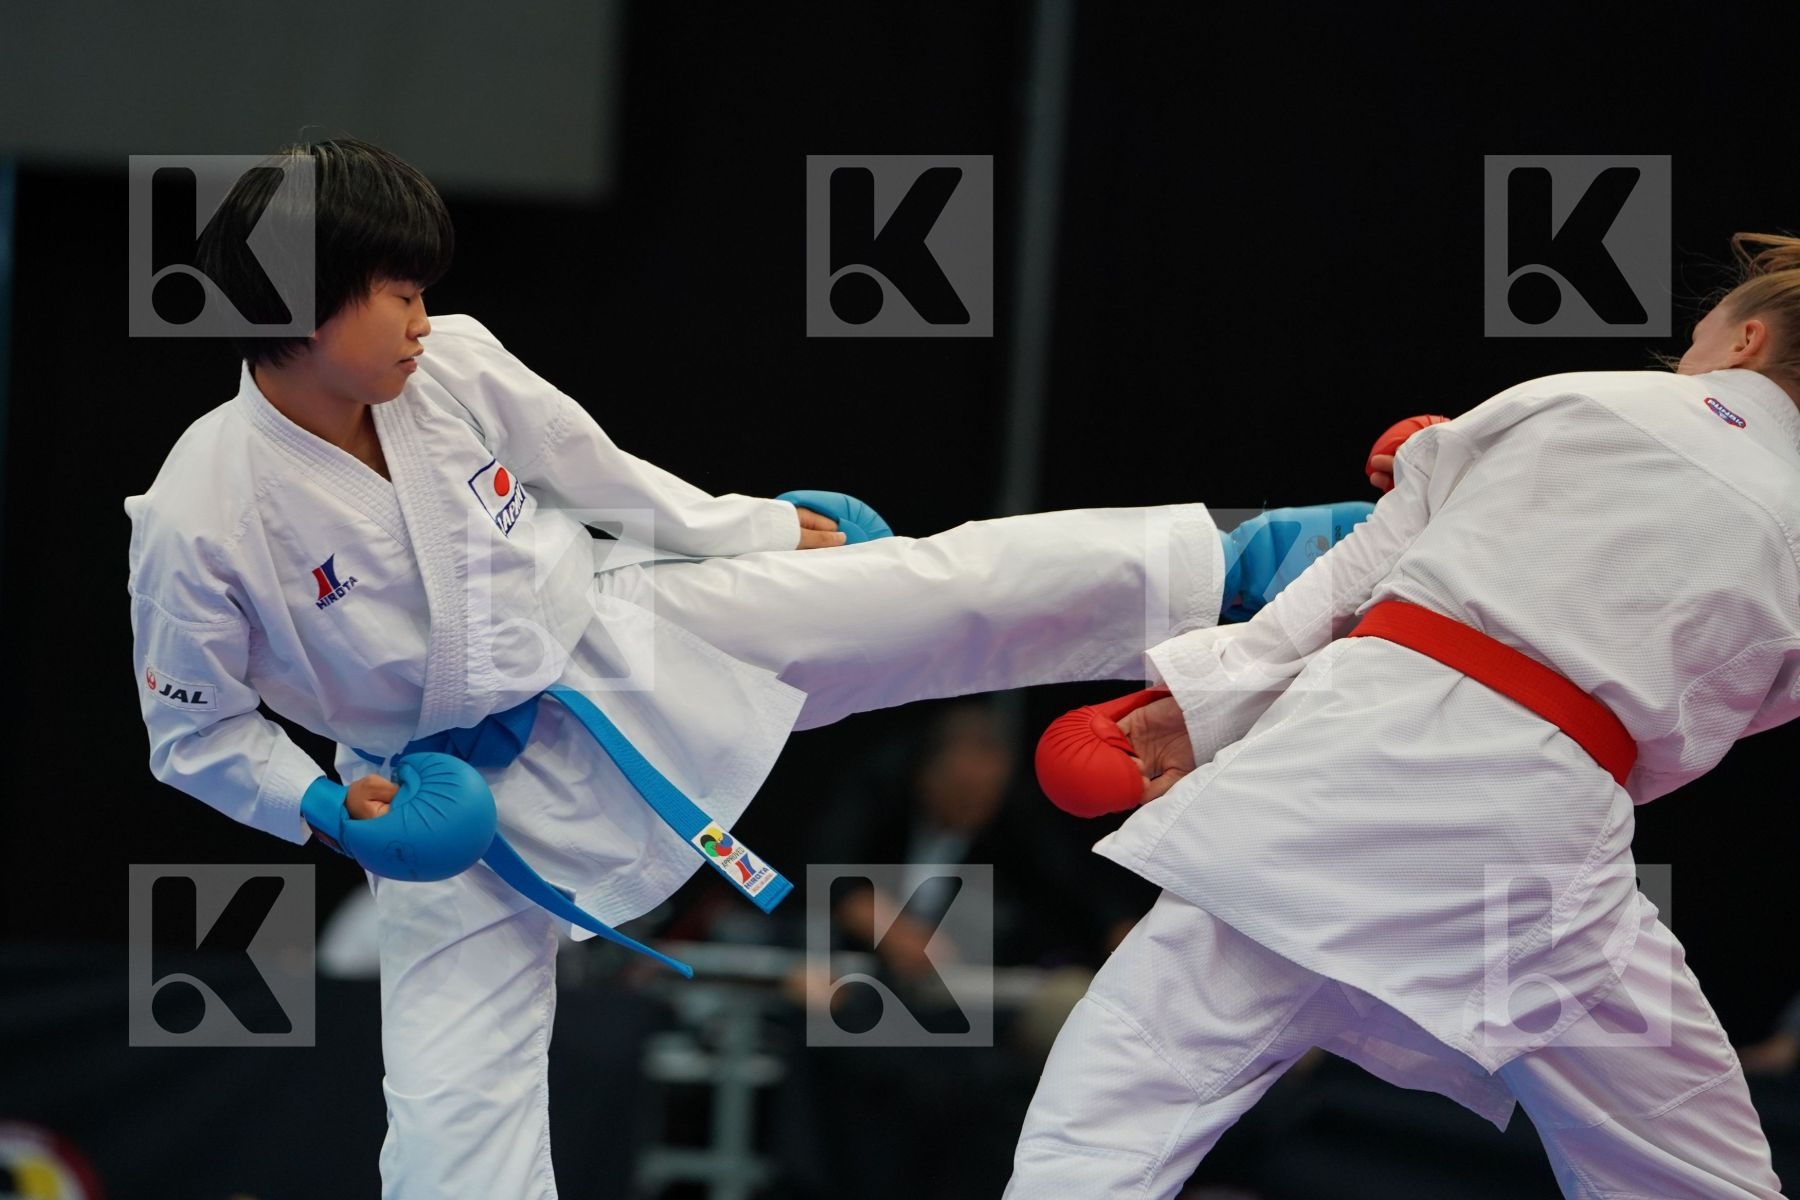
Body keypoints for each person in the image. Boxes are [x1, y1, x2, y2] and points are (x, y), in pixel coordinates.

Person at [125, 136, 1378, 1198]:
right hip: (454, 810)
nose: (416, 311)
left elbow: (600, 478)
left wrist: (763, 527)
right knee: (454, 1120)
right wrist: (325, 807)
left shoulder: (450, 363)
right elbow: (193, 737)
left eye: (417, 282)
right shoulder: (201, 515)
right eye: (387, 288)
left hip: (623, 644)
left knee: (926, 591)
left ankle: (1260, 560)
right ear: (292, 306)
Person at [1009, 232, 1800, 1199]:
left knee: (1114, 1111)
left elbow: (1359, 569)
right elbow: (1742, 711)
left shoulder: (1578, 393)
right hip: (1535, 833)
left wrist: (1212, 703)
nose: (1684, 353)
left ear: (1747, 339)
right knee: (1693, 1170)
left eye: (1700, 333)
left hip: (1331, 772)